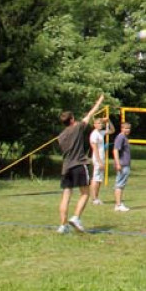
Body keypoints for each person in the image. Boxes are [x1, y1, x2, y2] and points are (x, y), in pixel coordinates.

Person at [57, 94, 105, 234]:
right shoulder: (77, 127)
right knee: (85, 193)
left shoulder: (60, 137)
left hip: (66, 168)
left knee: (66, 196)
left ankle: (62, 225)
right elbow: (90, 114)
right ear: (71, 119)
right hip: (79, 164)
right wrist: (100, 101)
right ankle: (76, 218)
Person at [88, 116, 113, 205]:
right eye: (98, 123)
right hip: (97, 158)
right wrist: (99, 161)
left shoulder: (101, 133)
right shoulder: (94, 135)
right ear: (94, 125)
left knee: (99, 179)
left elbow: (112, 130)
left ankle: (97, 198)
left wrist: (108, 121)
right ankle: (94, 198)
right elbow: (95, 149)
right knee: (95, 178)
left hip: (102, 158)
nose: (100, 125)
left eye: (101, 123)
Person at [112, 122, 131, 212]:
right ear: (121, 128)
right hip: (122, 164)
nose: (127, 130)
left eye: (128, 128)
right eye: (125, 128)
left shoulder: (125, 138)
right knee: (119, 184)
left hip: (125, 164)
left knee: (121, 184)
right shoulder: (121, 137)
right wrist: (118, 163)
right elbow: (115, 150)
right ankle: (118, 204)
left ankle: (119, 203)